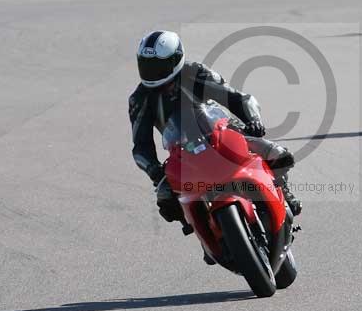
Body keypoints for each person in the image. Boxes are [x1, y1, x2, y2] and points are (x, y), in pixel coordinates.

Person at [129, 31, 302, 230]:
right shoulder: (139, 98)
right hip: (183, 152)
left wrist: (253, 121)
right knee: (166, 198)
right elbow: (140, 146)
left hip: (220, 131)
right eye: (147, 66)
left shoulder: (194, 72)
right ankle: (203, 229)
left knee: (276, 153)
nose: (152, 72)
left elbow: (237, 98)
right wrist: (155, 172)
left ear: (176, 59)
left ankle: (283, 190)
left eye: (158, 66)